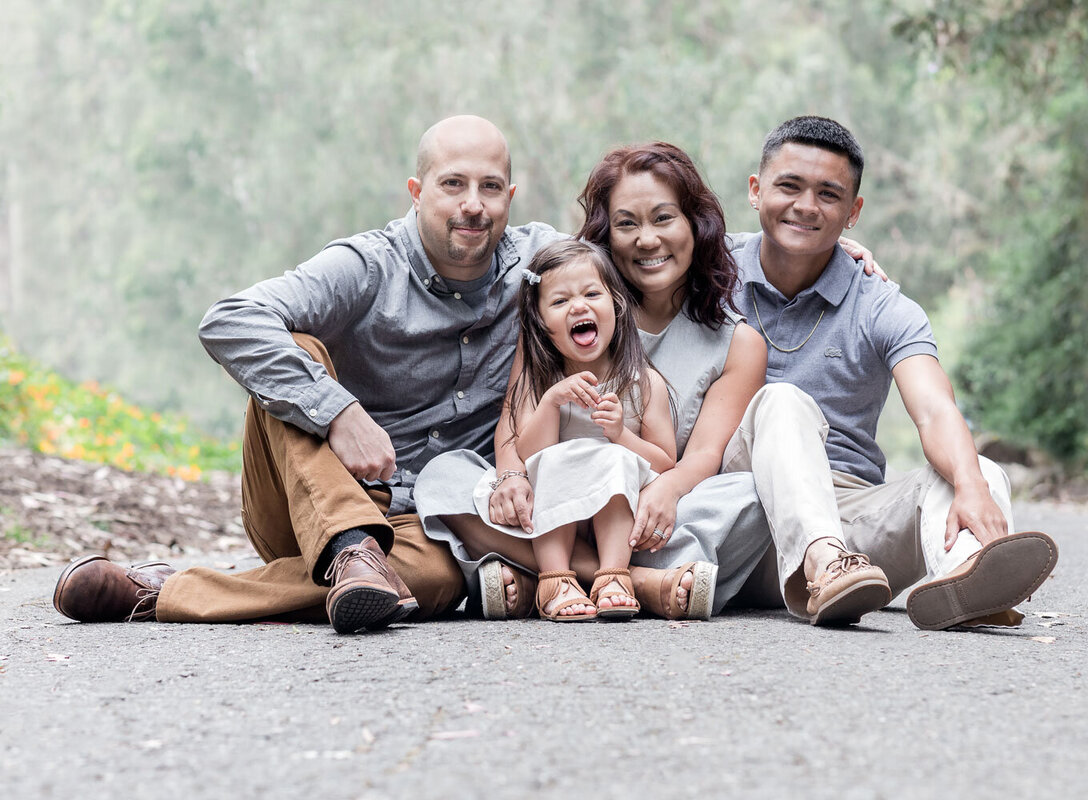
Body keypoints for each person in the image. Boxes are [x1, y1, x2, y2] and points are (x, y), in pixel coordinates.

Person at [51, 115, 563, 633]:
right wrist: (338, 412)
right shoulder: (367, 266)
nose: (472, 204)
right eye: (453, 183)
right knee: (295, 349)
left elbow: (630, 261)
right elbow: (230, 320)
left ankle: (167, 592)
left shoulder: (540, 264)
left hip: (421, 526)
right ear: (416, 191)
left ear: (511, 196)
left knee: (439, 578)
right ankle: (349, 545)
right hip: (306, 501)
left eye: (490, 187)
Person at [416, 143, 889, 624]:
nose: (646, 240)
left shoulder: (737, 342)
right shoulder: (563, 307)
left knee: (746, 497)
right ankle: (639, 584)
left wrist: (664, 492)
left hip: (647, 512)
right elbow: (512, 427)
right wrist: (512, 476)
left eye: (664, 218)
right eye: (626, 224)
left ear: (694, 226)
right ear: (605, 236)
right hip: (550, 500)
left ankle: (536, 573)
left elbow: (703, 457)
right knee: (443, 480)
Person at [728, 115, 1059, 630]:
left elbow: (933, 409)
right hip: (739, 517)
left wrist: (970, 484)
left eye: (828, 195)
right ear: (755, 190)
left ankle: (966, 582)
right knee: (783, 401)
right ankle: (823, 563)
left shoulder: (882, 304)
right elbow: (603, 256)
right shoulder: (707, 265)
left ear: (853, 211)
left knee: (979, 472)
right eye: (789, 186)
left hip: (854, 532)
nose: (806, 207)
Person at [476, 239, 676, 621]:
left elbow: (665, 462)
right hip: (556, 513)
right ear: (541, 324)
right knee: (556, 460)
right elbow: (530, 456)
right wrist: (552, 402)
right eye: (560, 301)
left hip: (615, 513)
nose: (579, 306)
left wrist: (621, 435)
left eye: (591, 293)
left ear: (616, 305)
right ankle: (555, 579)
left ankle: (614, 576)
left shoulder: (643, 383)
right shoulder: (540, 381)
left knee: (612, 458)